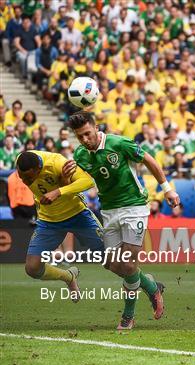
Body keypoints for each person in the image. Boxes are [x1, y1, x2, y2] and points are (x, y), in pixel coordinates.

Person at [64, 111, 180, 330]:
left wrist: (167, 190)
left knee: (127, 263)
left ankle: (128, 316)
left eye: (88, 134)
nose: (85, 140)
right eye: (80, 137)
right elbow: (80, 181)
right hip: (108, 210)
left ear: (96, 128)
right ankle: (150, 285)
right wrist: (67, 173)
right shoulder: (80, 155)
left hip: (133, 207)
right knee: (110, 263)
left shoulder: (118, 143)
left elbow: (149, 159)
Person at [15, 150, 103, 302]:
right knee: (32, 268)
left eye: (29, 177)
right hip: (49, 220)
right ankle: (68, 276)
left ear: (38, 169)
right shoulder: (22, 161)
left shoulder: (57, 162)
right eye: (21, 177)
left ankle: (147, 284)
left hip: (77, 214)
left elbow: (89, 182)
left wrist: (59, 191)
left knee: (111, 258)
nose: (25, 182)